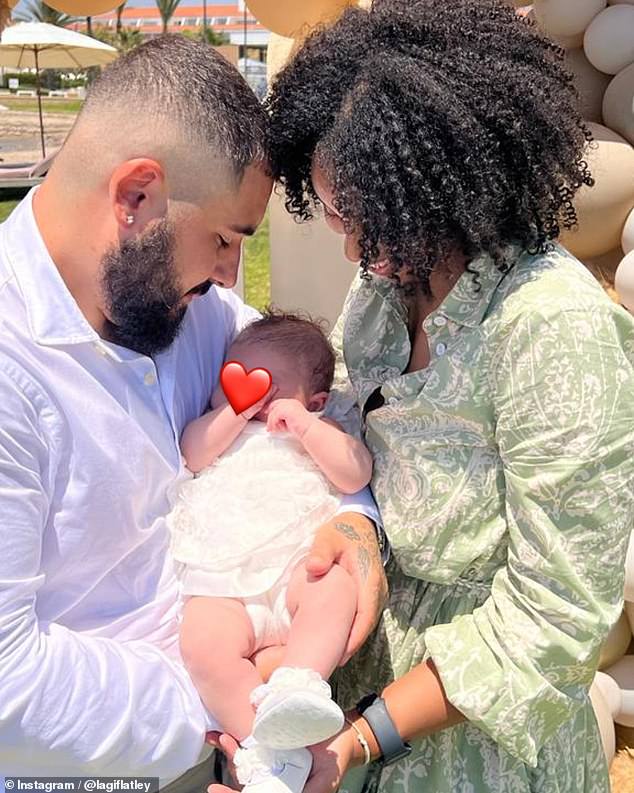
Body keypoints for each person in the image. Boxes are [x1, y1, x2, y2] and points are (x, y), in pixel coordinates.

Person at [213, 1, 634, 792]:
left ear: (440, 188)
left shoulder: (551, 327)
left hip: (483, 745)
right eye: (333, 214)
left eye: (360, 220)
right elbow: (359, 451)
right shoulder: (383, 292)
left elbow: (558, 614)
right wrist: (354, 534)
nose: (347, 247)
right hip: (352, 702)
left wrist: (364, 735)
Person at [0, 36, 387, 788]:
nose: (228, 272)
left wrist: (354, 525)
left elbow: (317, 409)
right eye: (224, 239)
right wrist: (234, 690)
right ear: (136, 196)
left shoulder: (200, 316)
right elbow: (9, 685)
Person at [169, 312, 373, 792]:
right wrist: (232, 413)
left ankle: (298, 684)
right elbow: (192, 452)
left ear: (315, 401)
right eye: (238, 382)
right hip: (225, 583)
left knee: (336, 587)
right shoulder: (222, 427)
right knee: (202, 645)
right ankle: (264, 747)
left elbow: (355, 473)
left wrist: (306, 427)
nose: (254, 398)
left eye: (269, 387)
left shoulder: (320, 431)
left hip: (295, 570)